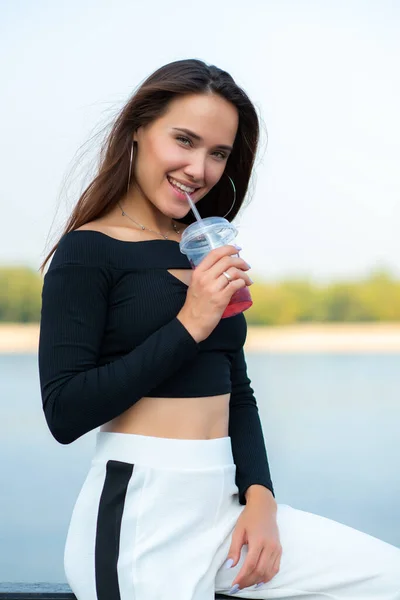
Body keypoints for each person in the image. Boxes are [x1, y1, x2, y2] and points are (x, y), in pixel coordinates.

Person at [38, 58, 400, 600]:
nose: (199, 169)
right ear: (138, 129)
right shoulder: (88, 250)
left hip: (228, 512)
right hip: (141, 516)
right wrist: (191, 321)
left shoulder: (202, 246)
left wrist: (261, 499)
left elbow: (238, 390)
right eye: (183, 140)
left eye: (218, 153)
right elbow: (65, 412)